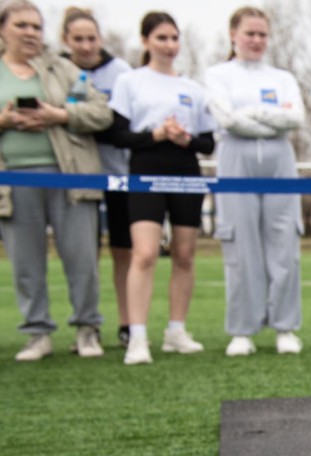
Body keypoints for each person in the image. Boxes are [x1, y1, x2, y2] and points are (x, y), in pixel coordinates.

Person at [0, 0, 111, 361]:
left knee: (82, 257)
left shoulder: (63, 68)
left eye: (36, 27)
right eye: (22, 26)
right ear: (4, 30)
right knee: (25, 261)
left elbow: (101, 112)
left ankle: (87, 330)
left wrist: (59, 114)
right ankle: (37, 333)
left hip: (70, 177)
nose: (31, 33)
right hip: (13, 180)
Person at [104, 12, 215, 365]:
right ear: (146, 41)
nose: (169, 45)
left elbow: (208, 143)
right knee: (145, 254)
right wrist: (156, 134)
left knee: (184, 255)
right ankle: (137, 336)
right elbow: (117, 135)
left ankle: (176, 331)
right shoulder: (130, 82)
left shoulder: (193, 89)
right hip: (145, 172)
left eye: (173, 38)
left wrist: (184, 138)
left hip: (186, 173)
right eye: (162, 38)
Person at [204, 6, 304, 357]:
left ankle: (285, 326)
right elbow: (228, 121)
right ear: (234, 35)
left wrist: (255, 113)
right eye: (250, 33)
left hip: (280, 160)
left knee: (284, 244)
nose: (256, 40)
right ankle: (242, 330)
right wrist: (270, 118)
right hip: (235, 160)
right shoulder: (217, 75)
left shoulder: (282, 77)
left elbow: (296, 117)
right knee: (240, 246)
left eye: (262, 34)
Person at [60, 6, 132, 347]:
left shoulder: (120, 72)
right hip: (76, 177)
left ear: (100, 39)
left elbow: (120, 126)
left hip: (118, 176)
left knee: (123, 252)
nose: (86, 45)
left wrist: (70, 118)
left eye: (92, 38)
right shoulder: (59, 70)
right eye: (78, 39)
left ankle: (128, 323)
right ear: (65, 40)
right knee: (84, 255)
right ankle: (87, 327)